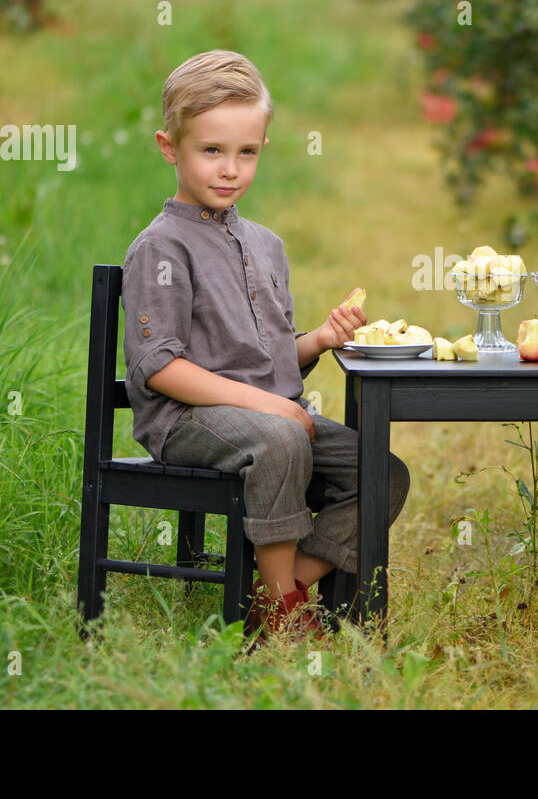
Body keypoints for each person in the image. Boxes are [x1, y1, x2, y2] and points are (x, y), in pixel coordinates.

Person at [121, 49, 411, 640]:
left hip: (267, 418)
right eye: (211, 151)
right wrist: (271, 406)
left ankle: (283, 589)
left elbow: (268, 357)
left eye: (246, 152)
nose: (230, 169)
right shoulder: (161, 249)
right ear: (168, 147)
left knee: (382, 471)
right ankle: (286, 612)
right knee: (280, 437)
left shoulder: (266, 245)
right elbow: (159, 368)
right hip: (187, 420)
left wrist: (321, 340)